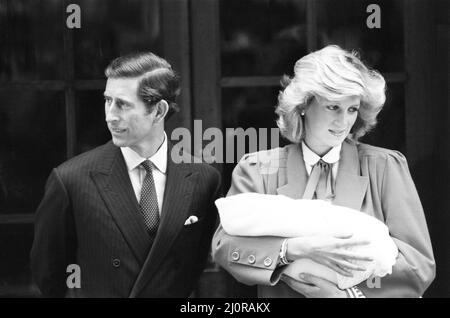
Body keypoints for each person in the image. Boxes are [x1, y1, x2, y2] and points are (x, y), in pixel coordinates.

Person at [212, 45, 435, 298]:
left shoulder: (385, 167)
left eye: (352, 109)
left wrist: (347, 296)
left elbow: (418, 265)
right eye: (333, 107)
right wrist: (293, 249)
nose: (343, 122)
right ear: (304, 105)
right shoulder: (257, 169)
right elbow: (224, 247)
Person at [31, 52, 221, 297]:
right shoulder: (71, 179)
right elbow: (49, 274)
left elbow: (197, 267)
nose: (110, 115)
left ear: (159, 111)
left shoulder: (204, 179)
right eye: (107, 101)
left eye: (122, 104)